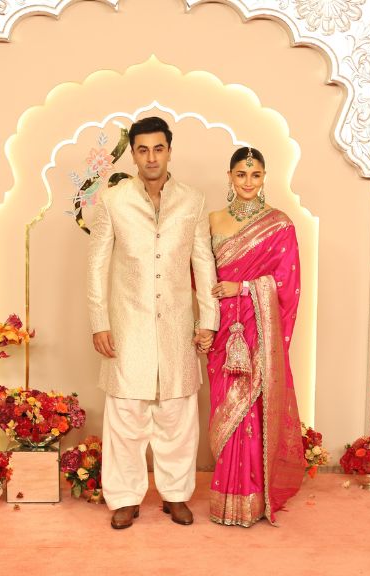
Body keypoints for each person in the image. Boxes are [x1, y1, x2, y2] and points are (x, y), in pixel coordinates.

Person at [86, 116, 219, 529]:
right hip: (128, 324)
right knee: (126, 414)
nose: (151, 158)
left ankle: (176, 496)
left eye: (158, 149)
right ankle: (124, 498)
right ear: (133, 154)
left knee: (177, 414)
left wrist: (209, 319)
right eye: (142, 150)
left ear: (169, 151)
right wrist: (99, 321)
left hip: (177, 323)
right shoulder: (113, 201)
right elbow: (96, 265)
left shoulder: (192, 200)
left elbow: (203, 262)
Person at [206, 146, 304, 527]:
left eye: (256, 175)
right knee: (225, 408)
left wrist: (244, 287)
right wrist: (203, 324)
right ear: (229, 176)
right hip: (223, 333)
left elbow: (287, 285)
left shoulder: (279, 225)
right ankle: (226, 498)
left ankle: (250, 498)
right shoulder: (212, 221)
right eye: (241, 174)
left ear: (264, 178)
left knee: (251, 411)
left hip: (257, 330)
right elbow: (200, 278)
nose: (248, 182)